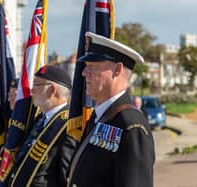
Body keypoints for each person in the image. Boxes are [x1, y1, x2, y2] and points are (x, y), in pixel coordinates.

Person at [66, 32, 155, 187]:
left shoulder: (131, 125)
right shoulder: (99, 116)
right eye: (86, 66)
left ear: (118, 69)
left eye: (92, 66)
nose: (84, 72)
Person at [9, 65, 76, 187]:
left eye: (37, 85)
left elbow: (66, 178)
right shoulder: (40, 120)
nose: (32, 90)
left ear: (52, 90)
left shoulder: (69, 125)